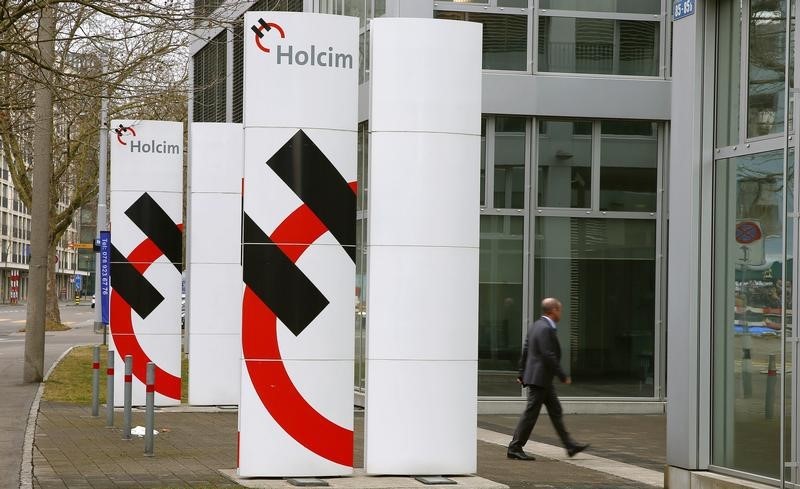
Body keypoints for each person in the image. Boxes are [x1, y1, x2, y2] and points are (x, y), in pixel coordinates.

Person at [507, 297, 589, 461]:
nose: (561, 313)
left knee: (555, 411)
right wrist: (562, 375)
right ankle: (515, 447)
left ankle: (570, 446)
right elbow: (548, 355)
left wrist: (521, 373)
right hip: (539, 379)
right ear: (553, 311)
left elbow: (526, 350)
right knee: (531, 414)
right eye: (560, 310)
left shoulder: (536, 325)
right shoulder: (545, 328)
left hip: (541, 379)